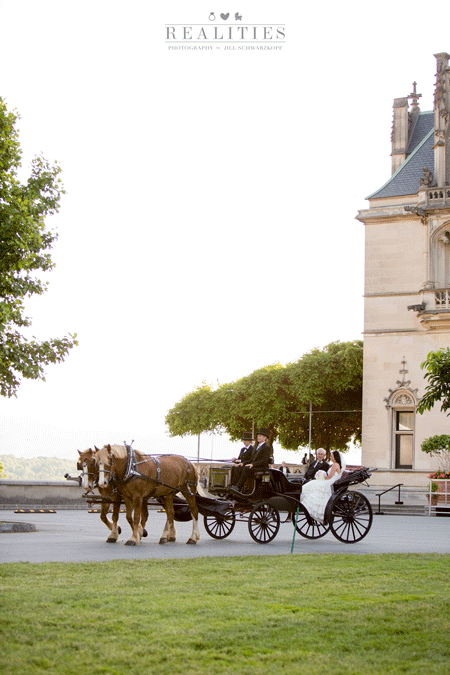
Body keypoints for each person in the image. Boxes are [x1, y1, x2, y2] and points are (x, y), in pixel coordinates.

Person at [300, 450, 346, 523]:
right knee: (313, 483)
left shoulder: (335, 465)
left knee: (313, 484)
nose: (330, 457)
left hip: (330, 481)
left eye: (331, 456)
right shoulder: (335, 464)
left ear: (335, 457)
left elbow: (330, 476)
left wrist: (322, 478)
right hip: (330, 481)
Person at [230, 428, 272, 495]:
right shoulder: (256, 447)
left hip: (262, 467)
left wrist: (253, 464)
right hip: (255, 466)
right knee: (238, 467)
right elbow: (251, 459)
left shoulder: (266, 447)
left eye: (260, 436)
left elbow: (264, 460)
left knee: (246, 468)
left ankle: (239, 487)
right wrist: (242, 463)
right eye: (258, 436)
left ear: (265, 438)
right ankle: (233, 485)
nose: (258, 437)